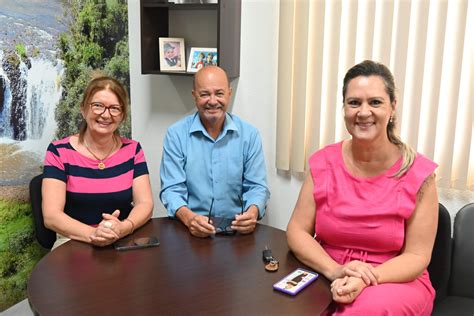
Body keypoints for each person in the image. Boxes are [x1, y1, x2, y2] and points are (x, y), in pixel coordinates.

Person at [286, 60, 438, 314]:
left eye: (375, 102)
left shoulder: (420, 174)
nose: (363, 112)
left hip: (392, 279)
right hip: (328, 271)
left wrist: (365, 277)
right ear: (344, 107)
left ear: (393, 107)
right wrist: (335, 270)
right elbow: (297, 231)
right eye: (354, 102)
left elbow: (417, 257)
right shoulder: (323, 162)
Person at [42, 74, 154, 249]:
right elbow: (51, 216)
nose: (105, 114)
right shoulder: (59, 151)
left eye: (114, 108)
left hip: (122, 238)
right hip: (74, 240)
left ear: (122, 114)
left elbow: (145, 203)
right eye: (98, 106)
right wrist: (93, 234)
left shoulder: (133, 150)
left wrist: (124, 227)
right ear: (83, 109)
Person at [160, 66, 270, 238]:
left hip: (236, 233)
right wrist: (190, 219)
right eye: (204, 94)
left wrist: (252, 212)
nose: (212, 101)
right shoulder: (176, 135)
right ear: (194, 96)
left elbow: (257, 186)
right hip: (190, 231)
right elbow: (172, 189)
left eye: (219, 93)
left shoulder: (249, 135)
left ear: (229, 94)